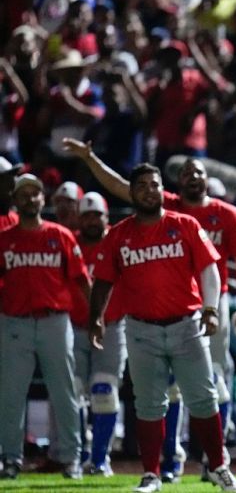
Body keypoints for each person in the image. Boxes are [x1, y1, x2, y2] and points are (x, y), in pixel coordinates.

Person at [62, 139, 236, 479]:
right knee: (161, 395)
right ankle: (168, 463)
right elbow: (120, 186)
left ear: (206, 179)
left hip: (203, 309)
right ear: (177, 184)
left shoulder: (218, 215)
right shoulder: (163, 210)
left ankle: (216, 462)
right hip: (151, 319)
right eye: (185, 174)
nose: (192, 178)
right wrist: (91, 158)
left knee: (212, 386)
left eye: (197, 172)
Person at [0, 173, 88, 480]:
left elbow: (82, 280)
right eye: (23, 194)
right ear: (15, 200)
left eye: (34, 193)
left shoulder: (60, 235)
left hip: (55, 321)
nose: (29, 198)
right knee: (11, 394)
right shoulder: (4, 239)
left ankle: (71, 457)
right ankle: (10, 458)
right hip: (15, 322)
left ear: (43, 199)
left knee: (64, 392)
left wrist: (96, 318)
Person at [68, 192, 127, 476]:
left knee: (104, 390)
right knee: (75, 392)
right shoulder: (70, 244)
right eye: (87, 215)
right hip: (75, 327)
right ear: (80, 218)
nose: (92, 220)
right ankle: (78, 457)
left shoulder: (118, 242)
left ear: (106, 217)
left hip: (112, 327)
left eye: (97, 215)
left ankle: (100, 459)